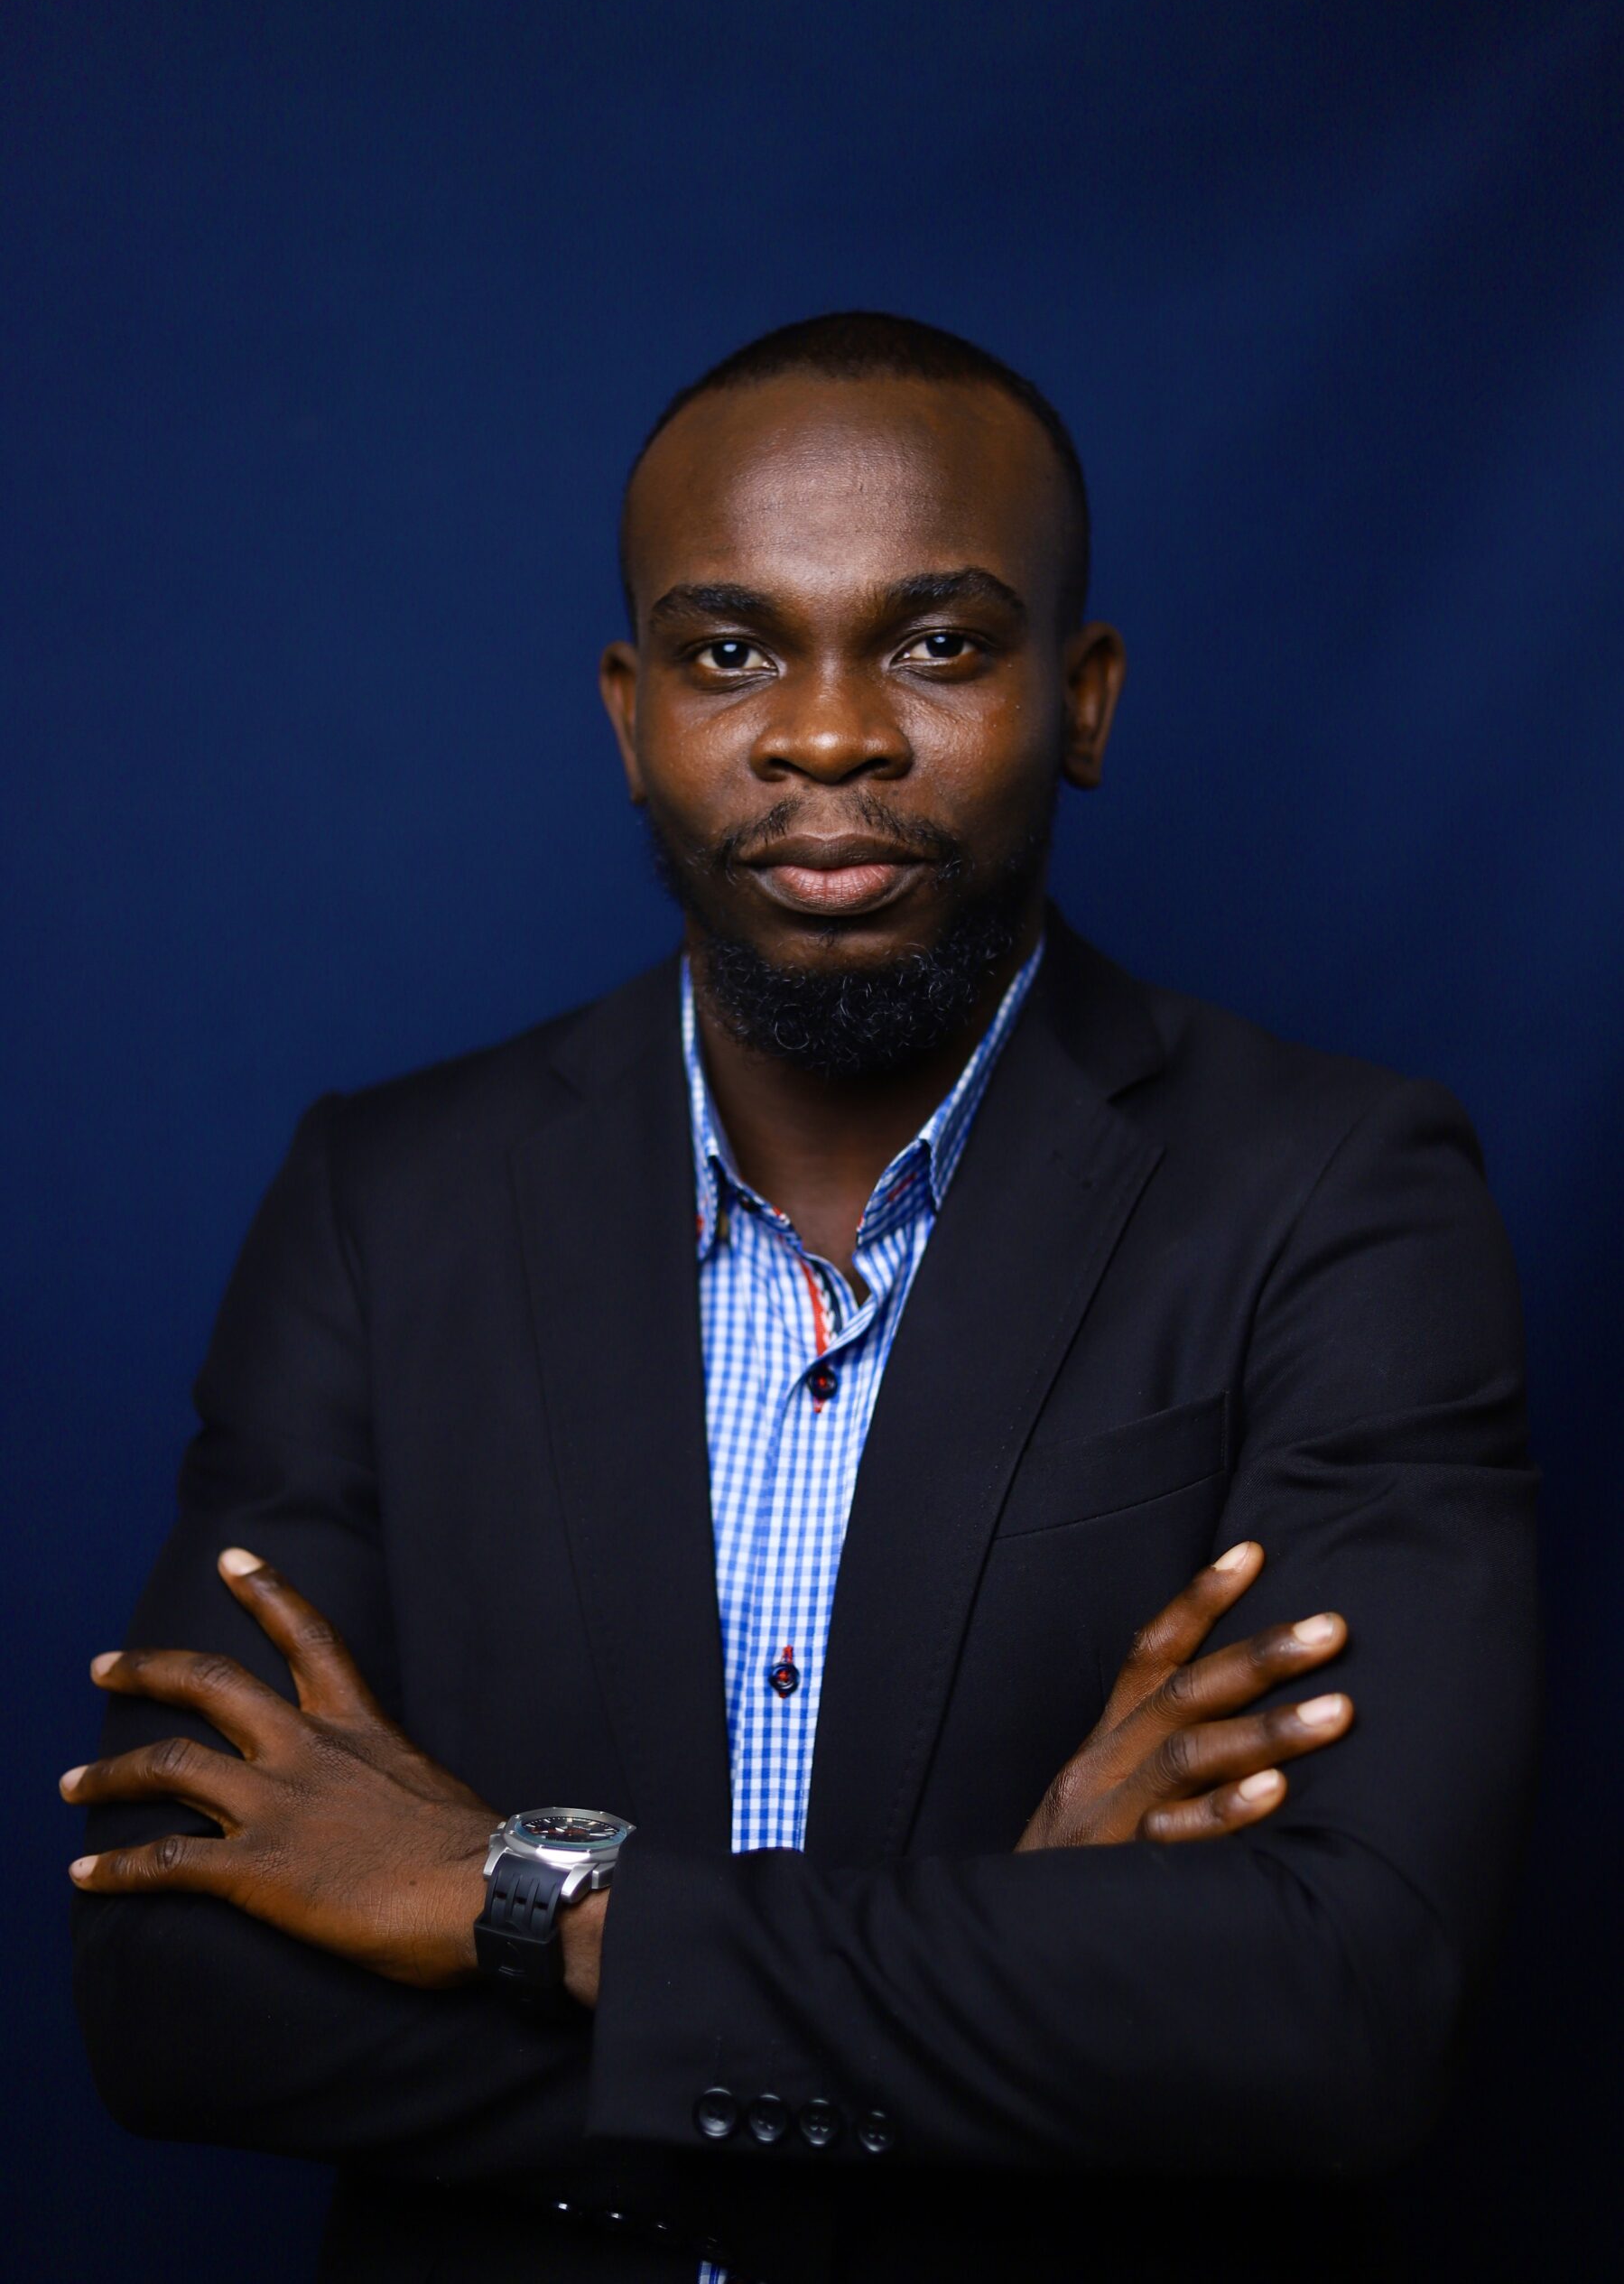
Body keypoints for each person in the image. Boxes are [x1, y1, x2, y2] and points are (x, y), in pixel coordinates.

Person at [64, 313, 1538, 2283]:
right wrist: (1002, 1992)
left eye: (937, 644)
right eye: (730, 652)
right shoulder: (380, 1202)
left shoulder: (1337, 1193)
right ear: (629, 714)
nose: (827, 737)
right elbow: (172, 1985)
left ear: (1083, 697)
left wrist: (520, 1897)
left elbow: (1336, 2008)